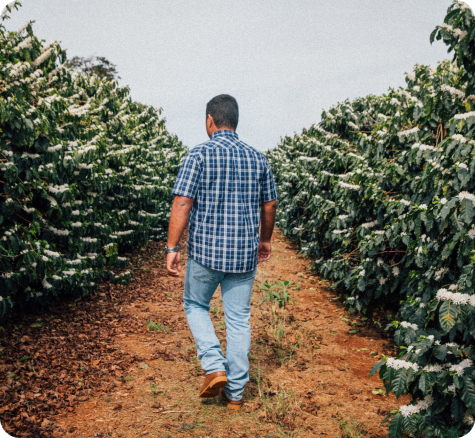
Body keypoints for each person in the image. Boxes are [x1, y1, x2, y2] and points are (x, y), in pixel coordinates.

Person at [165, 94, 277, 410]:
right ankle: (236, 396)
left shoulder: (198, 156)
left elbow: (182, 202)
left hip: (205, 255)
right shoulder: (258, 158)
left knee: (195, 304)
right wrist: (264, 240)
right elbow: (269, 205)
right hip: (243, 255)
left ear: (210, 121)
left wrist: (172, 247)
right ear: (235, 121)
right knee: (239, 320)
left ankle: (214, 365)